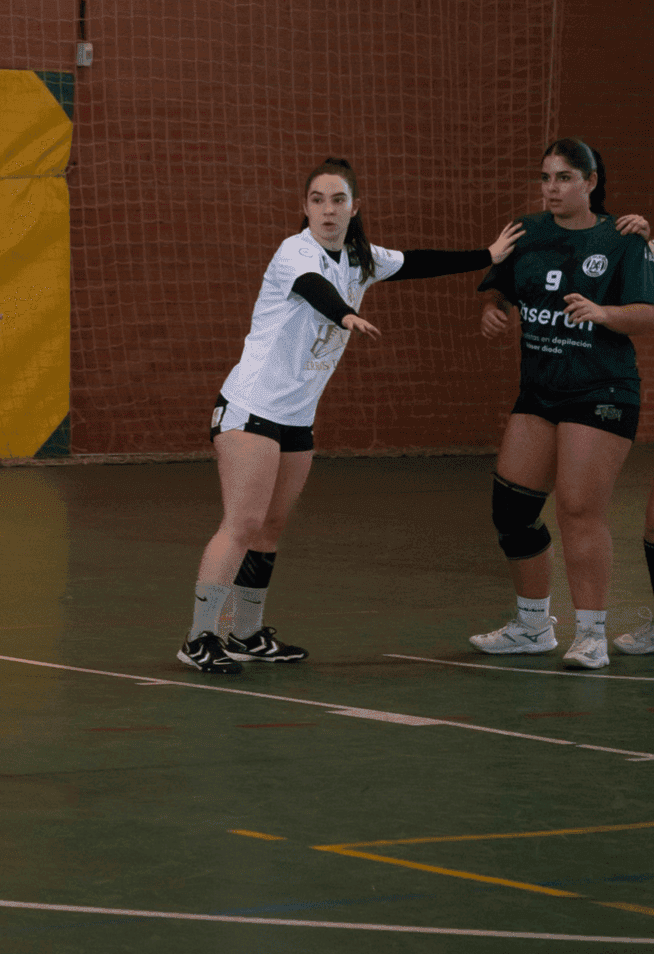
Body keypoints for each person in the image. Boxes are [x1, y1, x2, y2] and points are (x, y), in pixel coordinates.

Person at [181, 157, 529, 674]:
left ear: (355, 207)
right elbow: (314, 291)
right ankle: (198, 638)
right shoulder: (293, 252)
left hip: (297, 417)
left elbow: (416, 262)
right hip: (250, 406)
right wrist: (345, 312)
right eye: (317, 200)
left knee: (270, 527)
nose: (327, 209)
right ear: (305, 208)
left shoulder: (361, 257)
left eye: (338, 200)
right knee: (243, 522)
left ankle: (246, 633)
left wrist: (488, 254)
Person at [469, 139, 654, 670]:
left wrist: (603, 313)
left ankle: (592, 632)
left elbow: (646, 313)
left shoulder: (622, 238)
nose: (552, 188)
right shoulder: (527, 232)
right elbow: (498, 288)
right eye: (546, 177)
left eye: (565, 177)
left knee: (578, 507)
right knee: (513, 511)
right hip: (540, 390)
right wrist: (493, 310)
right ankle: (532, 626)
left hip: (601, 390)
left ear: (591, 182)